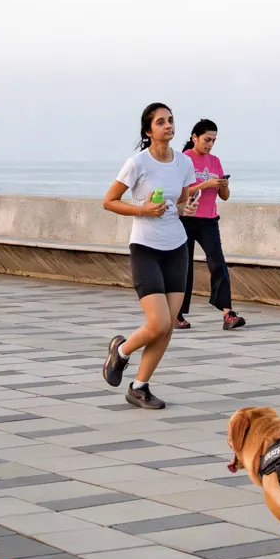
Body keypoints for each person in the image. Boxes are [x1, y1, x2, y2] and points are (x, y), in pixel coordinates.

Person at [99, 103, 215, 410]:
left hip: (176, 249)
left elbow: (180, 202)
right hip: (146, 249)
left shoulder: (182, 163)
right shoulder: (137, 163)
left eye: (171, 120)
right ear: (149, 130)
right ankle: (121, 351)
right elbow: (109, 202)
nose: (168, 125)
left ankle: (139, 387)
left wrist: (184, 209)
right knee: (157, 322)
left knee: (168, 326)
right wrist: (142, 210)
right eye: (161, 122)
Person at [177, 119, 244, 331]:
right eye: (207, 140)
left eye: (214, 140)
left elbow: (224, 196)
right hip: (186, 219)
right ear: (194, 137)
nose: (210, 144)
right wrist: (206, 184)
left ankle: (228, 313)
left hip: (209, 220)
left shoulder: (215, 161)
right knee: (183, 268)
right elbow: (179, 192)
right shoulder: (184, 159)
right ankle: (176, 314)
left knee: (218, 264)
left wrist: (223, 185)